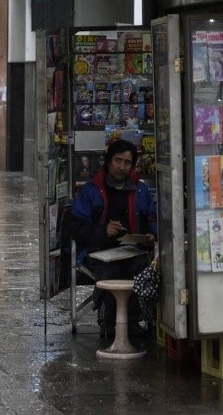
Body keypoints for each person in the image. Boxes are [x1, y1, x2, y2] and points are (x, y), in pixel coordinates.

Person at [69, 139, 157, 338]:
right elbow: (75, 226)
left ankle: (132, 320)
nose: (122, 167)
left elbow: (152, 219)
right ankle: (108, 322)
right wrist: (102, 232)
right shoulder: (91, 190)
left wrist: (151, 235)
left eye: (127, 163)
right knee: (113, 271)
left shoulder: (140, 190)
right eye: (118, 161)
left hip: (132, 251)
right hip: (97, 252)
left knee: (143, 267)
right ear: (108, 162)